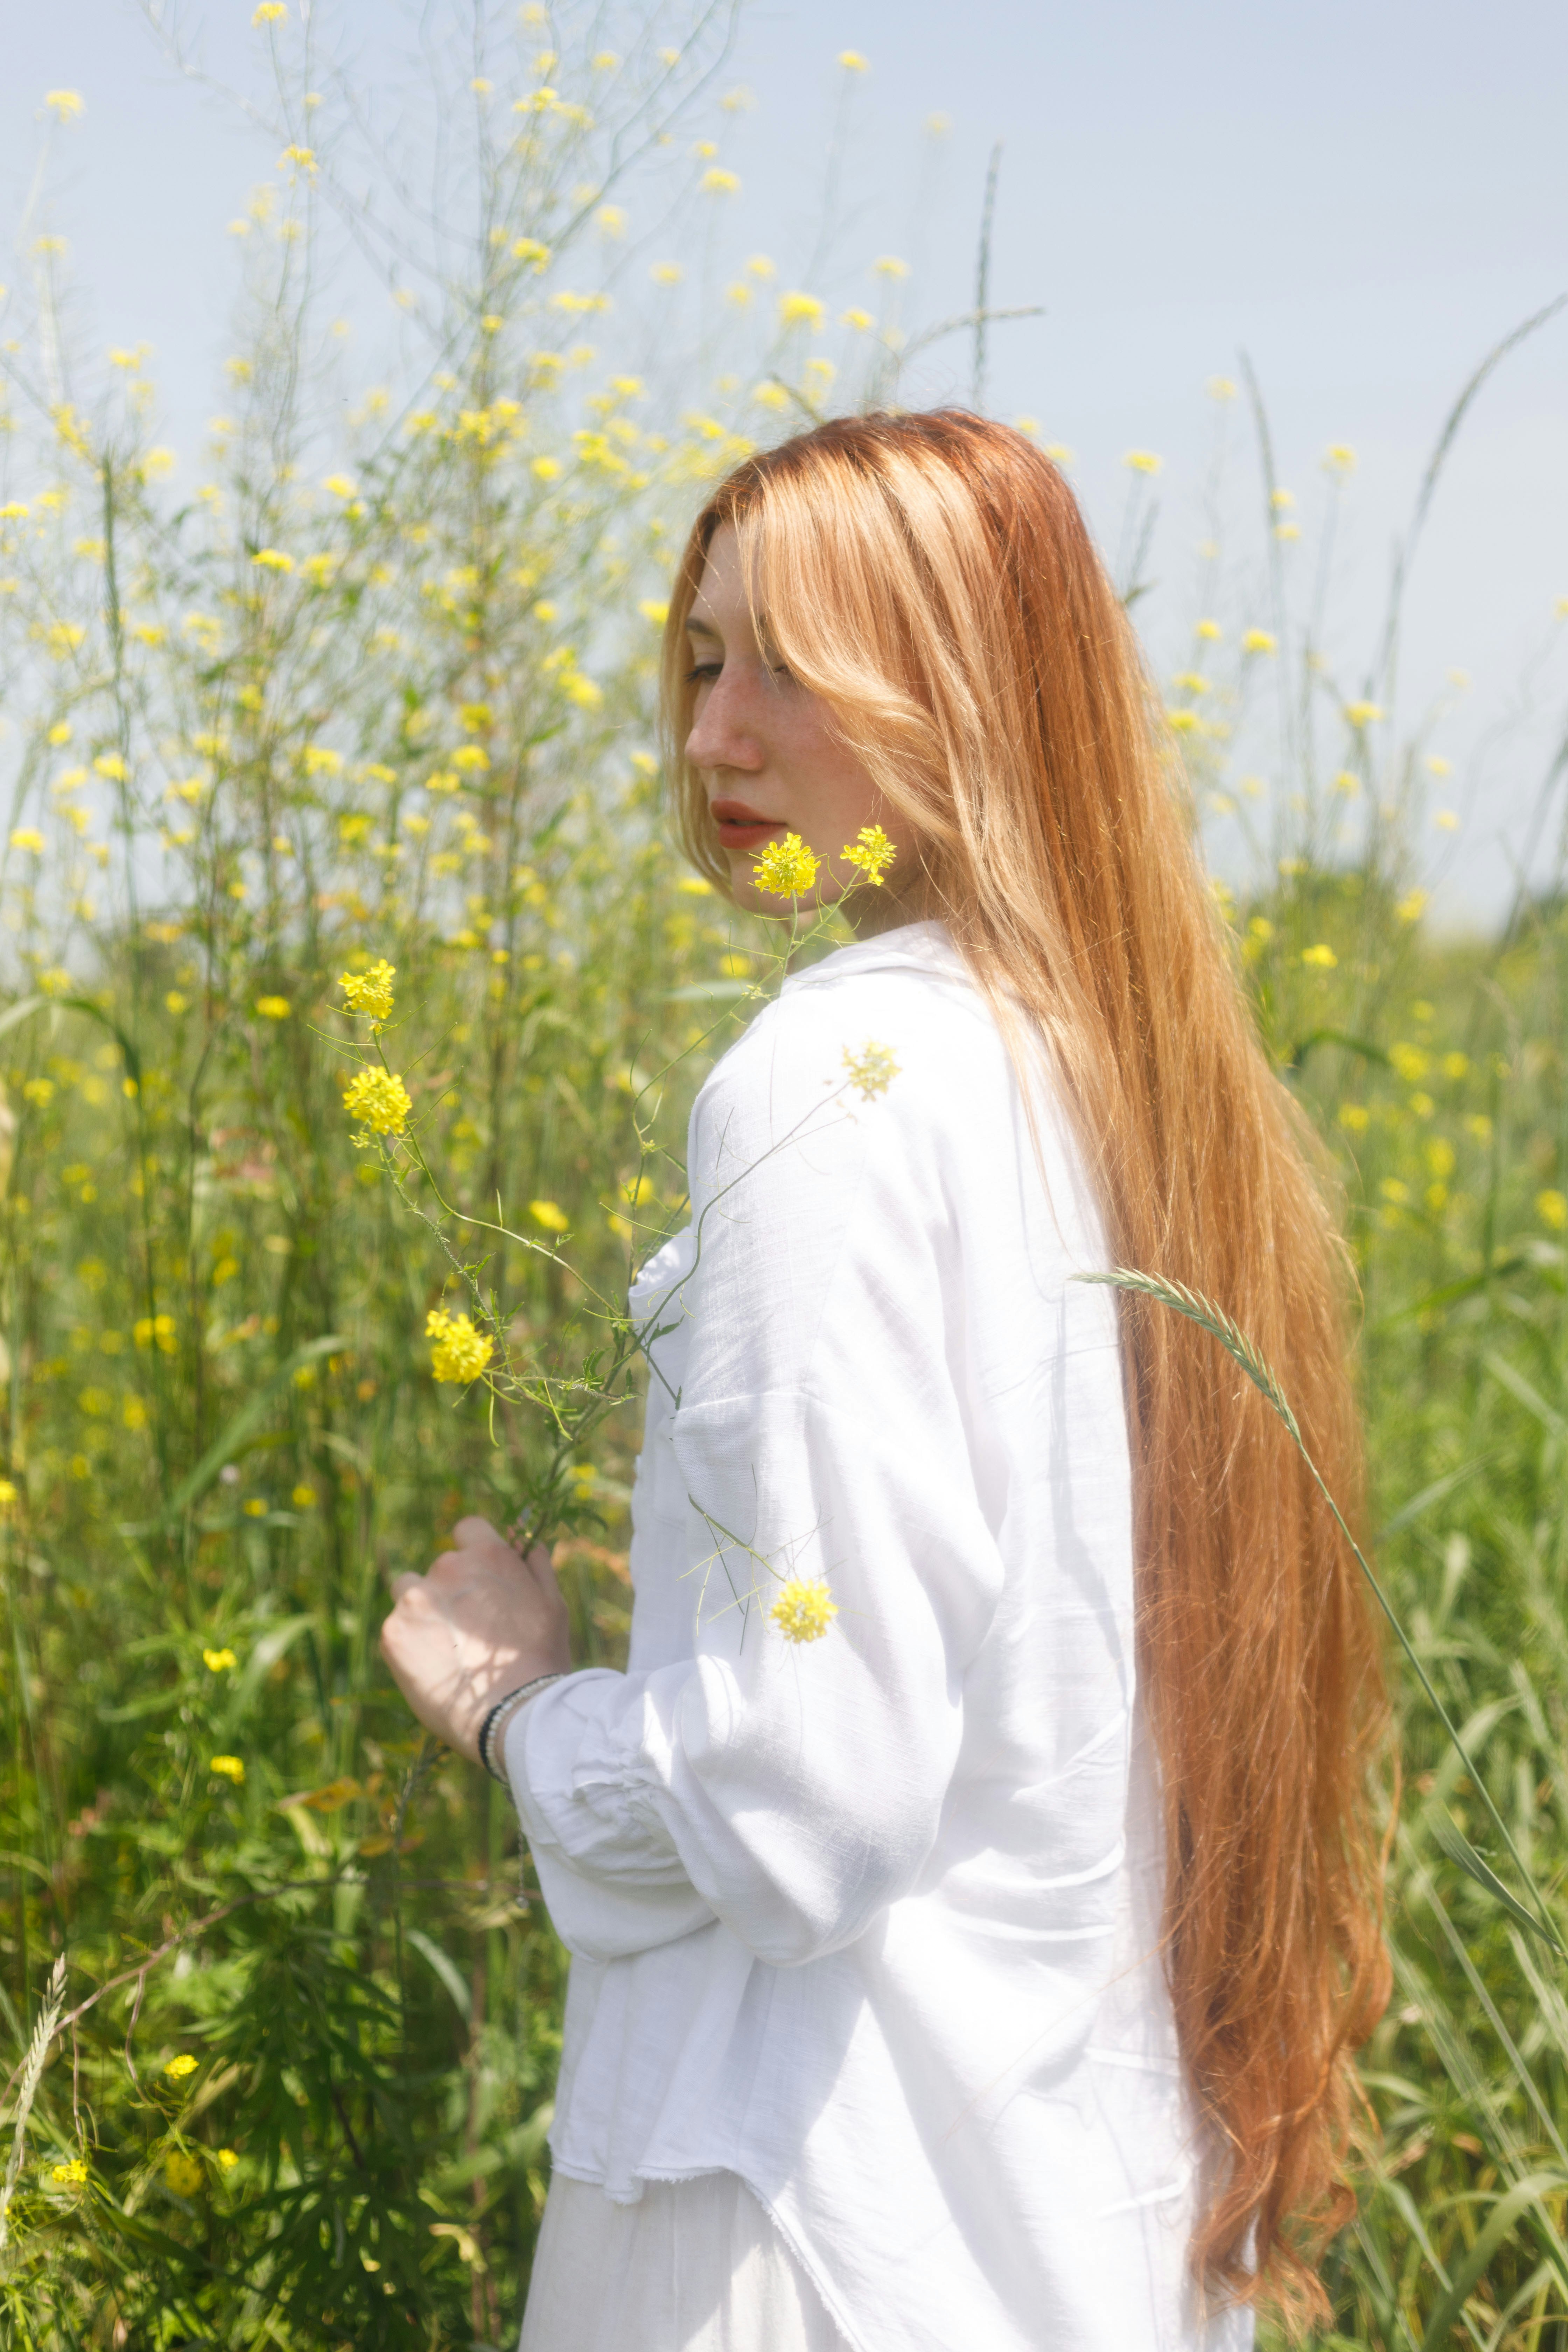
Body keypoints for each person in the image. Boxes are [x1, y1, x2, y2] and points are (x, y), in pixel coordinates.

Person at [380, 409, 1389, 2352]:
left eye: (790, 666)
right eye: (700, 657)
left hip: (795, 2222)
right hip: (1058, 2240)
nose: (711, 740)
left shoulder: (829, 1090)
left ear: (973, 698)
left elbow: (805, 1806)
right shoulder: (1135, 1095)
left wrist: (516, 1706)